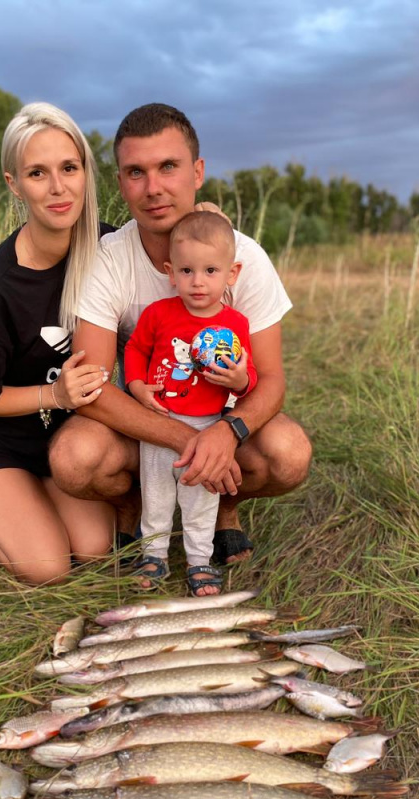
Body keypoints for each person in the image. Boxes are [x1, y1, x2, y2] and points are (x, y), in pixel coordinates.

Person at [48, 104, 311, 566]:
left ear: (197, 171)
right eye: (136, 172)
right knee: (73, 457)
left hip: (219, 415)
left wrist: (226, 433)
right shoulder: (108, 259)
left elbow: (271, 380)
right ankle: (132, 507)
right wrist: (181, 437)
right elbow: (89, 387)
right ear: (120, 183)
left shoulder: (244, 258)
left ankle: (223, 509)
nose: (154, 188)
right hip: (149, 416)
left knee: (289, 454)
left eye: (168, 166)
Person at [0, 103, 114, 585]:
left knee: (96, 550)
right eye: (38, 173)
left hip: (63, 445)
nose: (58, 188)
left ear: (85, 171)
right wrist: (54, 395)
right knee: (48, 568)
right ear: (14, 184)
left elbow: (174, 251)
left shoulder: (109, 249)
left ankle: (37, 497)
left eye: (69, 168)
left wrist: (200, 214)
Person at [125, 211, 257, 596]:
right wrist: (135, 384)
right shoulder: (158, 314)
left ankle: (199, 562)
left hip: (206, 426)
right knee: (156, 495)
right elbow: (135, 349)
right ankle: (154, 556)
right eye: (186, 271)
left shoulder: (235, 325)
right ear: (171, 272)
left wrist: (240, 380)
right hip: (159, 422)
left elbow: (253, 378)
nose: (197, 282)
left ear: (231, 274)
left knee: (201, 498)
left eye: (211, 271)